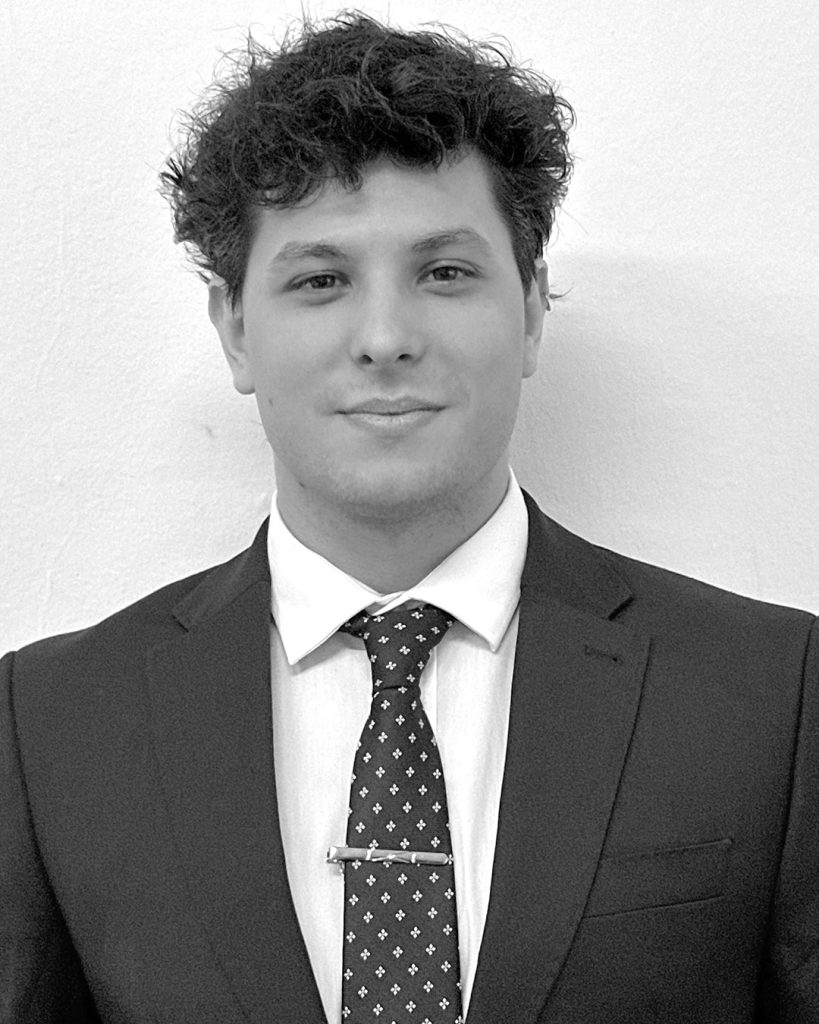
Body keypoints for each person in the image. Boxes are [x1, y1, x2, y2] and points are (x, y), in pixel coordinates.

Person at [1, 12, 816, 1024]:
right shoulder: (52, 725)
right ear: (236, 329)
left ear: (532, 310)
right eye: (321, 281)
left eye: (444, 273)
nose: (385, 337)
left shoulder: (774, 696)